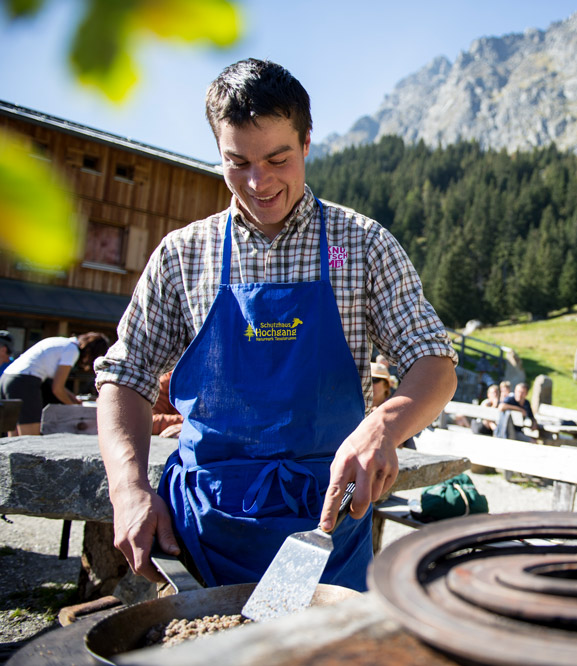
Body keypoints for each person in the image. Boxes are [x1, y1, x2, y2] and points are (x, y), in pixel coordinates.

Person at [94, 58, 457, 592]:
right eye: (237, 162)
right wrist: (128, 488)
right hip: (204, 525)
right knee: (210, 646)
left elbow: (435, 362)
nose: (259, 182)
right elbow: (125, 376)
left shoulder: (362, 245)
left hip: (324, 520)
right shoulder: (182, 254)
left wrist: (386, 425)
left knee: (313, 651)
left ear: (307, 143)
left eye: (278, 159)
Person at [0, 333, 109, 436]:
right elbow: (57, 389)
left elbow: (56, 383)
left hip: (7, 379)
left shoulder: (60, 342)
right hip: (24, 382)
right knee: (29, 438)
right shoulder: (71, 350)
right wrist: (76, 407)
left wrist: (73, 398)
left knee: (14, 434)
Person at [151, 371, 183, 438]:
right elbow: (149, 422)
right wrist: (190, 424)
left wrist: (190, 425)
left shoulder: (209, 379)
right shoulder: (169, 379)